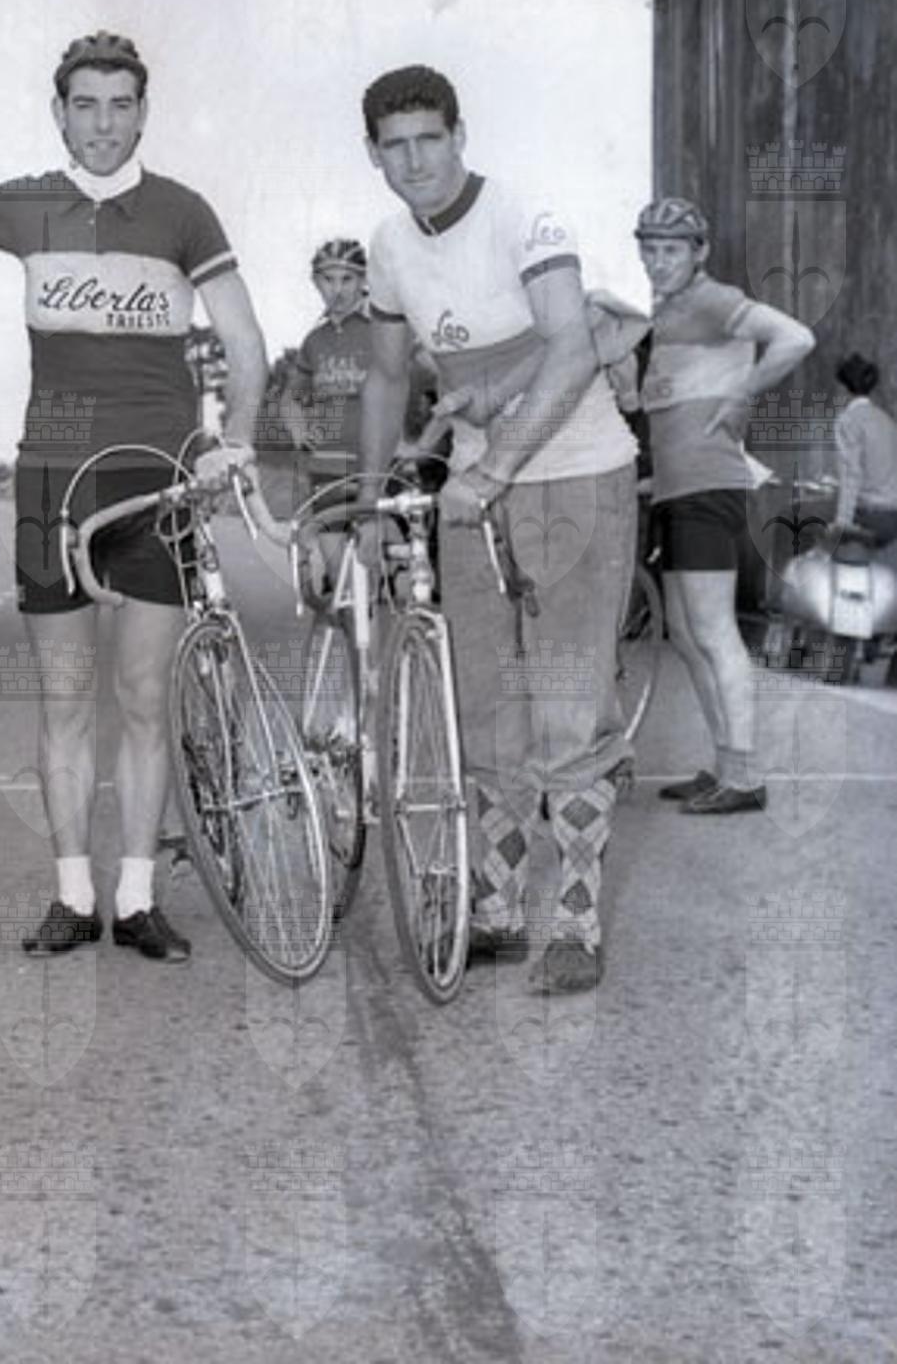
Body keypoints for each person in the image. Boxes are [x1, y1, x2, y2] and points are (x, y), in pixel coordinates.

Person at [0, 32, 272, 964]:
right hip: (51, 477)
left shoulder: (183, 212)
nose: (102, 123)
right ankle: (72, 895)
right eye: (85, 105)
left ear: (143, 114)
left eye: (120, 105)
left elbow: (245, 343)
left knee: (143, 696)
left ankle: (137, 898)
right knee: (63, 700)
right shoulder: (20, 204)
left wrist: (234, 440)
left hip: (156, 476)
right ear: (58, 114)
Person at [355, 64, 638, 996]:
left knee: (565, 704)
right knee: (484, 707)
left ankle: (577, 922)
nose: (414, 162)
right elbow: (387, 377)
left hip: (573, 476)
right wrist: (369, 501)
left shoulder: (522, 216)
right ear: (373, 154)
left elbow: (570, 344)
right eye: (394, 146)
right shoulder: (389, 244)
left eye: (428, 140)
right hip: (474, 496)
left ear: (459, 137)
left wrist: (491, 468)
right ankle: (500, 906)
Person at [634, 198, 814, 815]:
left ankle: (744, 775)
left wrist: (743, 393)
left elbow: (796, 337)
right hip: (678, 490)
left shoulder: (713, 300)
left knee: (712, 631)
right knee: (686, 634)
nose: (659, 262)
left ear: (699, 252)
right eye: (650, 250)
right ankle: (722, 764)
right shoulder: (671, 312)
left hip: (707, 489)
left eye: (672, 250)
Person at [279, 240, 376, 494]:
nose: (337, 290)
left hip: (381, 462)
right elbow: (291, 399)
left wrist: (422, 440)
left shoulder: (387, 328)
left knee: (385, 522)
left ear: (364, 279)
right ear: (315, 282)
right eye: (328, 280)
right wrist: (299, 432)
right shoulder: (314, 340)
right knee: (328, 522)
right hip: (327, 465)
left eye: (347, 279)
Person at [830, 353, 897, 547]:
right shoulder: (886, 420)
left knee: (795, 517)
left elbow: (851, 475)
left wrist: (841, 524)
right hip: (893, 516)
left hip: (870, 517)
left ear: (843, 389)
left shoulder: (848, 420)